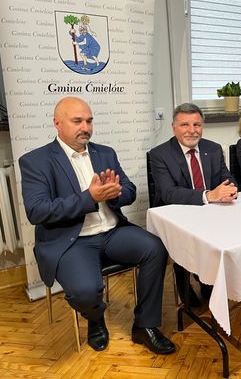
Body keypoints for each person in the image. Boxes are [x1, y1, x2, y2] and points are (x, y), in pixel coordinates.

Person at [19, 97, 175, 354]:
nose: (86, 127)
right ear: (57, 123)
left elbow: (129, 190)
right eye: (77, 121)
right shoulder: (36, 161)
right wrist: (89, 198)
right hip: (72, 241)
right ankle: (95, 318)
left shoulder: (105, 153)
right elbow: (37, 211)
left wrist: (114, 194)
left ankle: (144, 325)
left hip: (113, 232)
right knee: (85, 291)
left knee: (155, 248)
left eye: (89, 121)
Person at [149, 103, 238, 306]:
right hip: (177, 214)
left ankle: (207, 279)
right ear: (173, 127)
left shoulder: (213, 149)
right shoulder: (159, 154)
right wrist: (209, 195)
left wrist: (230, 189)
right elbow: (168, 193)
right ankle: (183, 279)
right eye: (185, 125)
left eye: (196, 124)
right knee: (188, 240)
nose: (192, 130)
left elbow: (227, 177)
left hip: (211, 211)